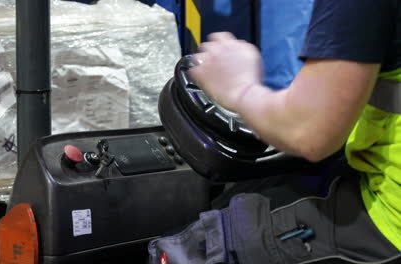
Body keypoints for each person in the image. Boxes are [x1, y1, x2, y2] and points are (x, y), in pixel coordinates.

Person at [148, 0, 401, 263]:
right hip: (367, 162)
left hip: (390, 222)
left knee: (191, 250)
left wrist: (240, 89)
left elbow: (308, 134)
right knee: (248, 193)